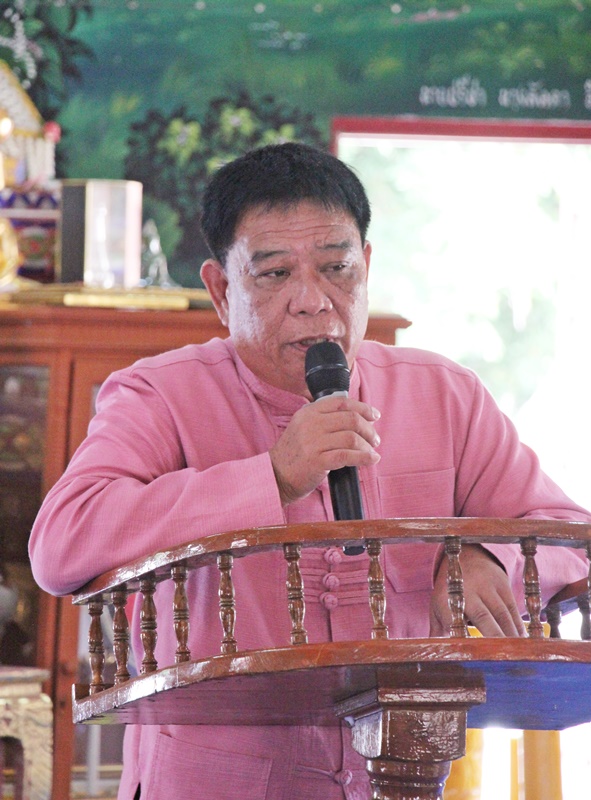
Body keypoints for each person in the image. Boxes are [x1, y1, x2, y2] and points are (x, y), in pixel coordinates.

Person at [29, 142, 590, 799]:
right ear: (221, 290)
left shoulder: (442, 393)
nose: (312, 301)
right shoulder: (160, 395)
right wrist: (271, 477)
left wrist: (489, 556)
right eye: (274, 274)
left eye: (335, 269)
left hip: (402, 779)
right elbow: (60, 545)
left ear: (367, 266)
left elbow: (565, 533)